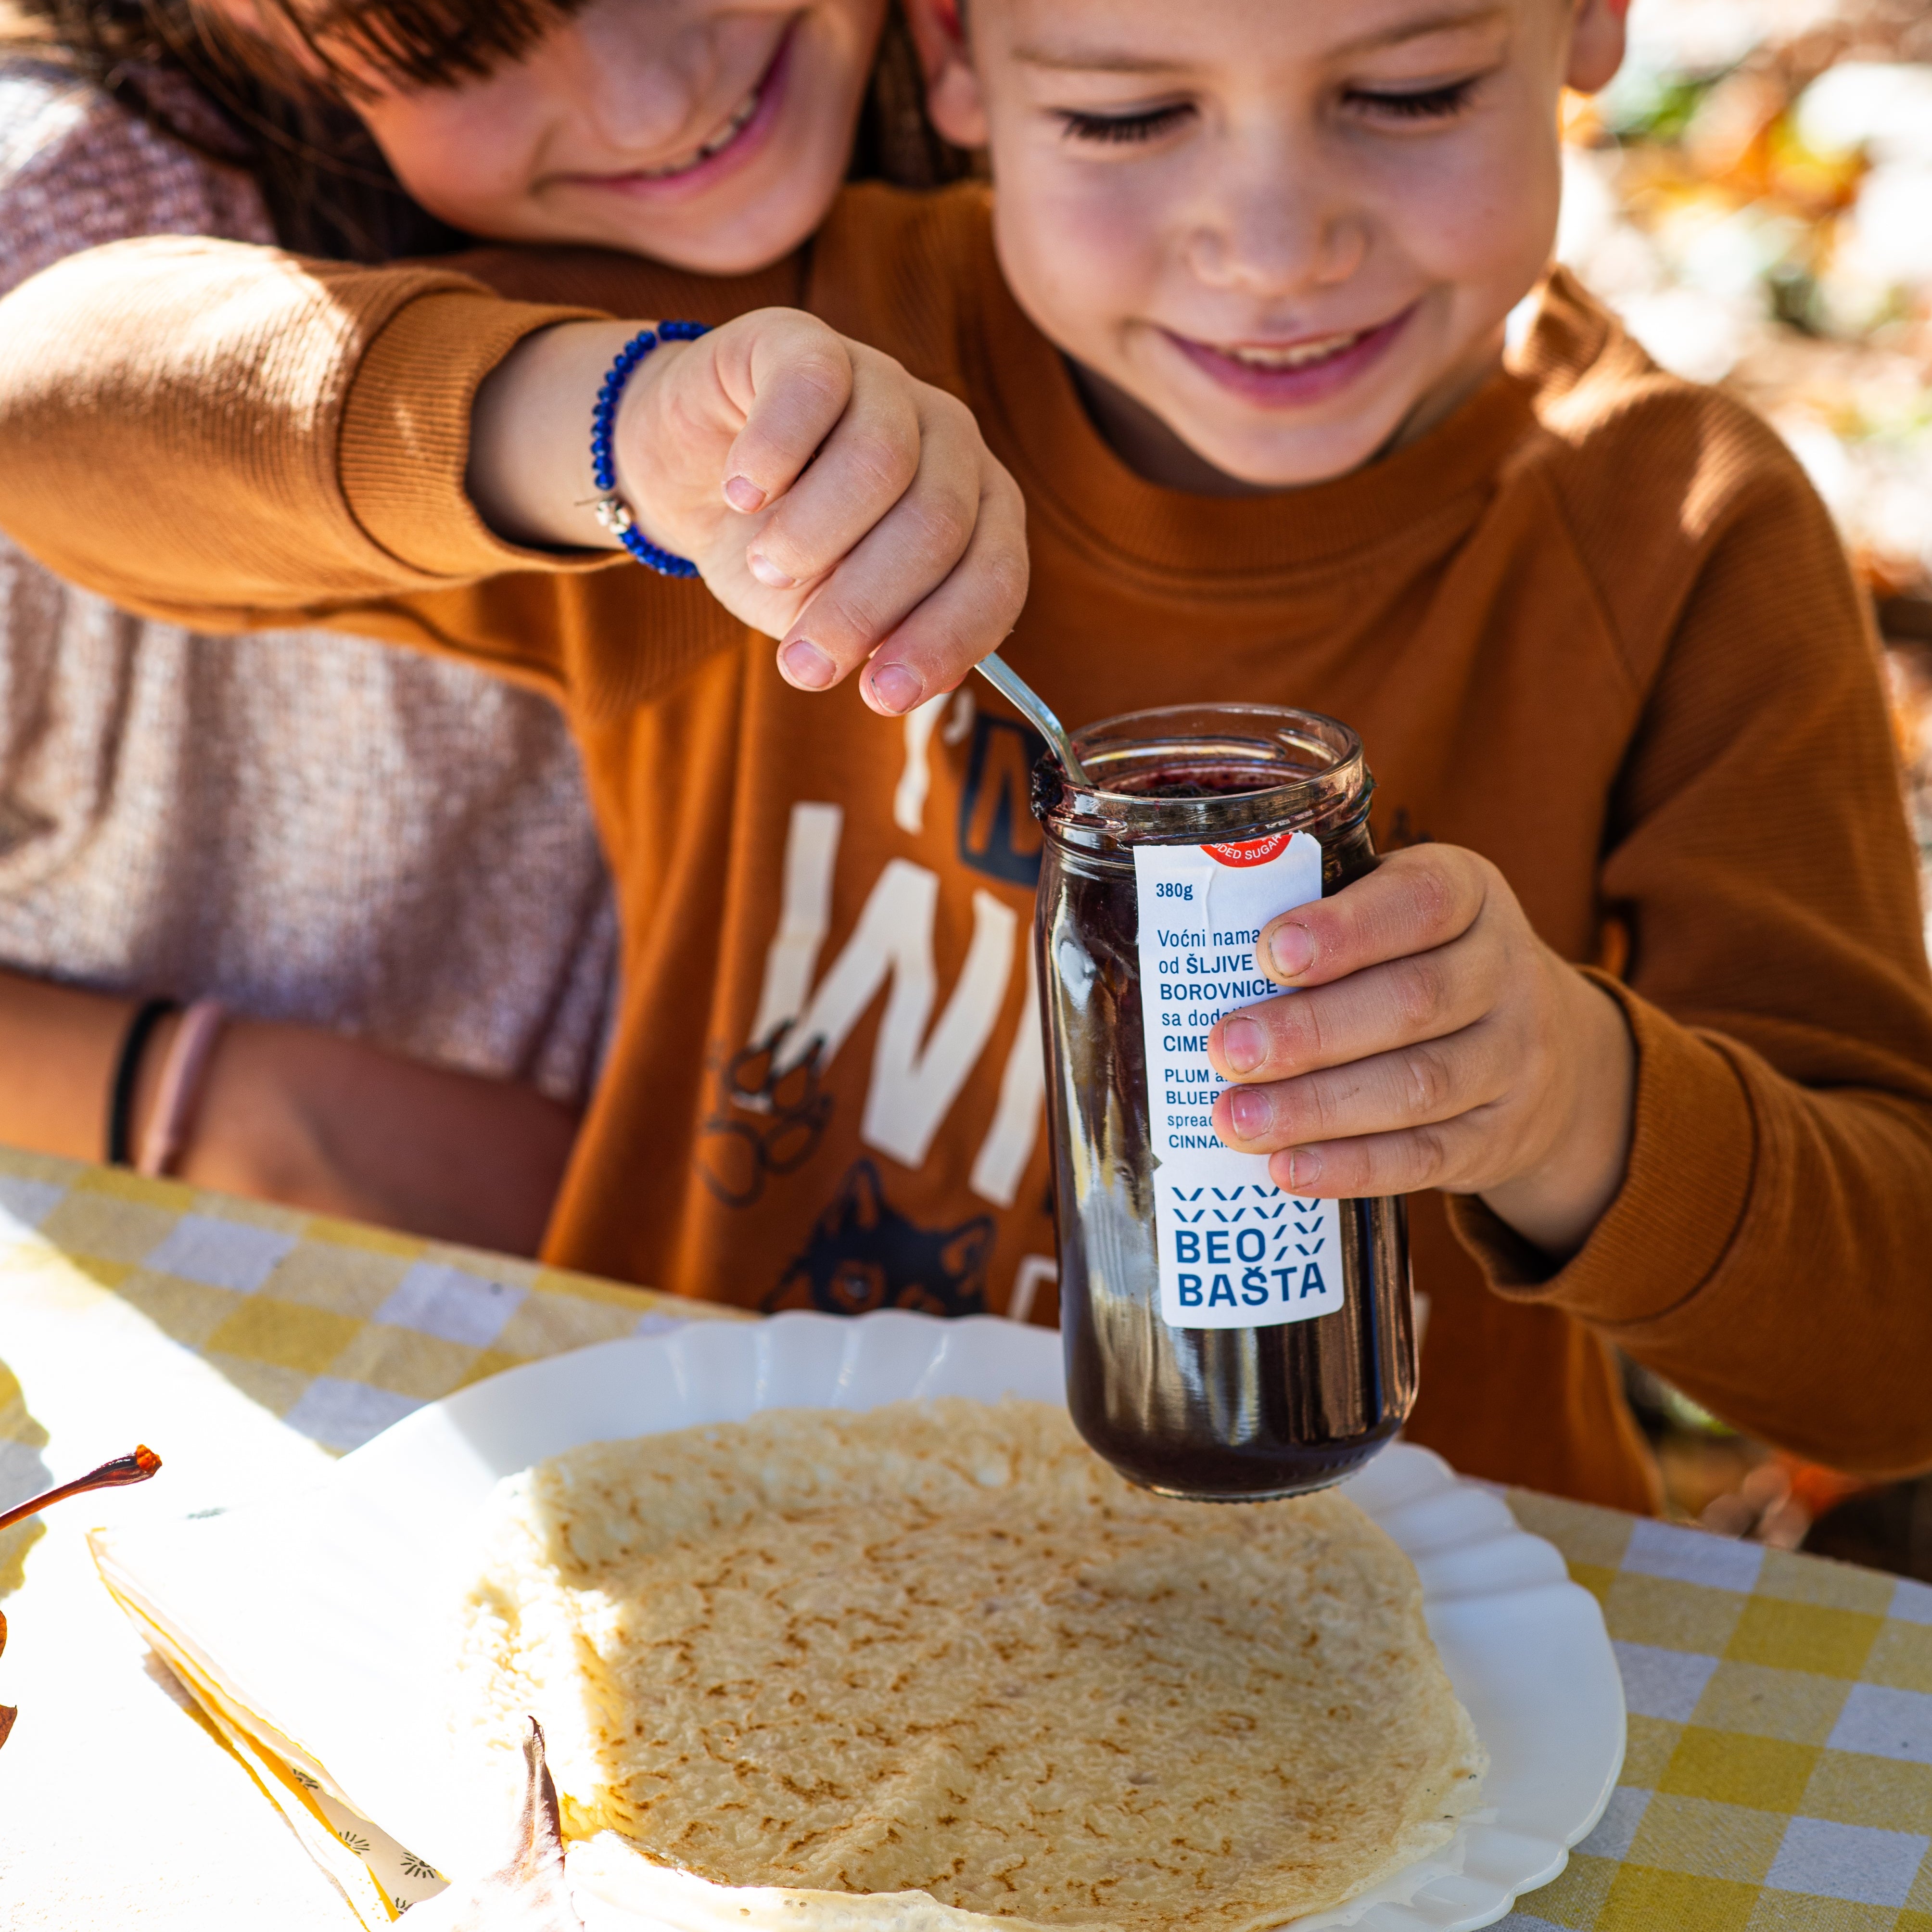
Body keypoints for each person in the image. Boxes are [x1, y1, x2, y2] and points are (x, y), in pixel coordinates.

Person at [4, 0, 1931, 1513]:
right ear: (953, 51)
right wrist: (607, 423)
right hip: (734, 1553)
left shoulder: (1677, 539)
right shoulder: (790, 377)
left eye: (1408, 91)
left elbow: (1886, 1350)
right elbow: (54, 411)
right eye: (1123, 112)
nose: (1269, 244)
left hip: (1384, 1629)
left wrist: (1564, 1100)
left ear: (1584, 23)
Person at [0, 0, 949, 1250]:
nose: (652, 106)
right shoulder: (56, 221)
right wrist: (211, 1104)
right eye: (446, 46)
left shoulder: (1112, 125)